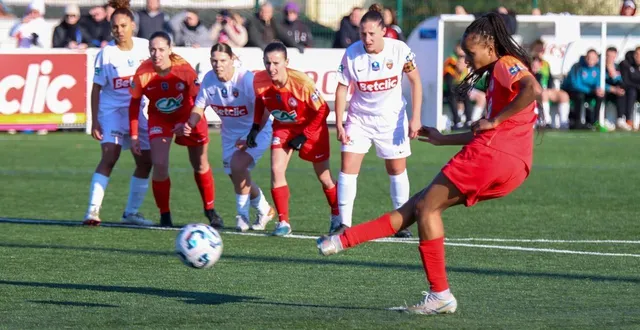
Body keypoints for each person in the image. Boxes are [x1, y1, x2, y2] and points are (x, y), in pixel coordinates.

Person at [317, 12, 542, 315]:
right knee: (417, 205)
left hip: (494, 157)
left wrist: (495, 119)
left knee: (425, 207)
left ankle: (440, 294)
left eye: (470, 53)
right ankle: (343, 240)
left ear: (490, 46)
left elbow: (532, 90)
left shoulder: (505, 64)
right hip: (509, 163)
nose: (465, 60)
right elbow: (486, 130)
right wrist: (442, 138)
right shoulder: (497, 73)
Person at [332, 4, 422, 238]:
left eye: (372, 33)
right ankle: (344, 223)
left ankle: (401, 223)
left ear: (384, 30)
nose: (367, 38)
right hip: (359, 119)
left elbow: (415, 82)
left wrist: (416, 118)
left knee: (396, 169)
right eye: (363, 34)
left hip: (391, 120)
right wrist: (340, 123)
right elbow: (342, 89)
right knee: (348, 168)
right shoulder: (352, 53)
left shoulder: (399, 49)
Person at [176, 43, 275, 232]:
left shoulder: (245, 79)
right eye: (214, 60)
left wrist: (252, 134)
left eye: (222, 60)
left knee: (238, 166)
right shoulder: (209, 79)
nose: (218, 64)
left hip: (256, 130)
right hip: (229, 135)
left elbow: (264, 108)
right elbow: (199, 106)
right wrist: (190, 123)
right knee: (236, 175)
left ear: (232, 59)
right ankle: (264, 209)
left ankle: (242, 216)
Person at [128, 31, 223, 228]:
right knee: (159, 164)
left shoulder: (184, 69)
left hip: (188, 117)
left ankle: (210, 209)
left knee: (200, 163)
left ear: (170, 50)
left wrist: (188, 123)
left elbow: (200, 101)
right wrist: (135, 135)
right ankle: (165, 215)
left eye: (161, 49)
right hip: (159, 119)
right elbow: (134, 104)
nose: (157, 54)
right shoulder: (142, 73)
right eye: (153, 50)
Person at [246, 41, 340, 236]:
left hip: (311, 127)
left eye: (276, 63)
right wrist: (255, 128)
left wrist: (304, 136)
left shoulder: (301, 83)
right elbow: (261, 103)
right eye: (267, 63)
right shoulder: (259, 80)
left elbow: (324, 110)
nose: (271, 68)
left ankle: (337, 216)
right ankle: (283, 222)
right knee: (276, 170)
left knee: (325, 178)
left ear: (286, 62)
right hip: (283, 127)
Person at [84, 0, 153, 227]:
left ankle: (131, 213)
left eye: (123, 26)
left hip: (138, 114)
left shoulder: (146, 48)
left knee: (146, 162)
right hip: (112, 112)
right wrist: (95, 120)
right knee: (110, 156)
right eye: (115, 27)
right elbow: (96, 88)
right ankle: (92, 211)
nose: (119, 31)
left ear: (132, 25)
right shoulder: (106, 54)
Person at [529, 39, 570, 129]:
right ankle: (546, 121)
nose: (540, 52)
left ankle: (564, 122)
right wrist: (536, 72)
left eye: (541, 49)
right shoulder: (528, 62)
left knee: (564, 95)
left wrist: (551, 88)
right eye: (538, 49)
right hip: (534, 91)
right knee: (544, 94)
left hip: (546, 90)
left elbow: (550, 78)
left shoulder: (545, 64)